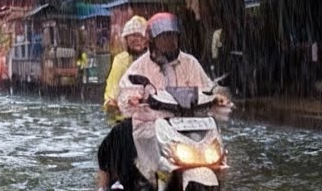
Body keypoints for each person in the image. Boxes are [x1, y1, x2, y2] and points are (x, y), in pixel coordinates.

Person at [118, 12, 228, 188]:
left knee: (217, 159)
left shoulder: (190, 63)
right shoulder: (139, 67)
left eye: (172, 36)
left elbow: (207, 87)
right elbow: (125, 91)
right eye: (164, 37)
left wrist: (217, 97)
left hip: (191, 124)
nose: (170, 41)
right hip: (152, 127)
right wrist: (132, 99)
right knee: (146, 168)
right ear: (153, 40)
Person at [96, 16, 148, 191]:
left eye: (139, 35)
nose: (136, 40)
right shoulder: (120, 61)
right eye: (131, 36)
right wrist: (116, 103)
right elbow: (111, 93)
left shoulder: (156, 61)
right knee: (112, 145)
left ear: (147, 39)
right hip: (126, 120)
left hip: (154, 120)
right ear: (125, 40)